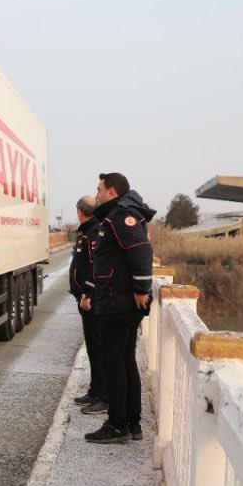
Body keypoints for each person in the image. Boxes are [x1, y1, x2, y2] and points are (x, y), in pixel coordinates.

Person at [84, 172, 156, 444]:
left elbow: (140, 251)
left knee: (113, 362)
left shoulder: (120, 216)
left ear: (112, 191)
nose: (97, 194)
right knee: (125, 360)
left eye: (99, 189)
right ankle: (132, 423)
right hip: (118, 299)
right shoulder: (115, 215)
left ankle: (117, 425)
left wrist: (140, 290)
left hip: (118, 301)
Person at [68, 195, 106, 413]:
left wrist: (87, 294)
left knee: (98, 347)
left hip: (91, 300)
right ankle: (95, 391)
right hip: (86, 298)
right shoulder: (89, 230)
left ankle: (102, 394)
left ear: (80, 212)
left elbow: (95, 267)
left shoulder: (93, 232)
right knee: (93, 346)